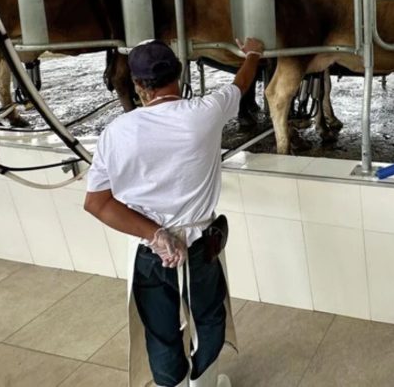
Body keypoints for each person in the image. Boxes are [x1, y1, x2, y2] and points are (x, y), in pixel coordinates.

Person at [84, 37, 264, 387]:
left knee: (160, 329)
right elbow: (241, 83)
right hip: (200, 246)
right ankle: (203, 383)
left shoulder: (115, 133)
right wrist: (253, 53)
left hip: (150, 251)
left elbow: (96, 203)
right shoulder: (206, 113)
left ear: (138, 86)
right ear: (179, 76)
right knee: (209, 316)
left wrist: (155, 235)